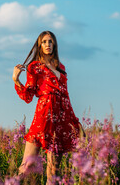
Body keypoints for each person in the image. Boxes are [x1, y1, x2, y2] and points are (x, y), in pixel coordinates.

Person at [12, 31, 83, 183]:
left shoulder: (61, 67)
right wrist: (16, 79)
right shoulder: (34, 67)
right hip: (43, 115)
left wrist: (75, 122)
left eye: (50, 41)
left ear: (54, 44)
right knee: (27, 165)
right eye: (44, 42)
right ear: (39, 45)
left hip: (61, 118)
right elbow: (28, 96)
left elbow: (66, 96)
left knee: (54, 170)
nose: (47, 45)